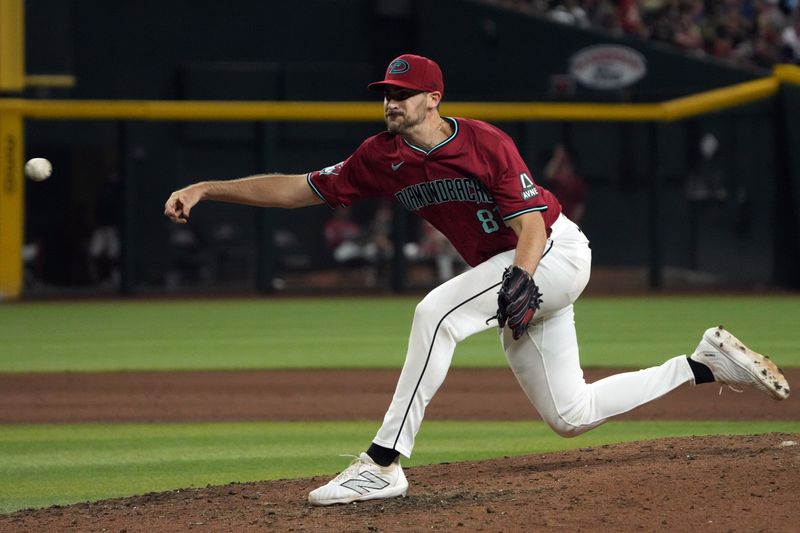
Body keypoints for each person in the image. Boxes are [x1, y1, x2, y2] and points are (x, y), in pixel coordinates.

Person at [164, 54, 791, 506]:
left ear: (433, 99)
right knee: (570, 415)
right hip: (515, 271)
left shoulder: (484, 143)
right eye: (386, 92)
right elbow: (303, 188)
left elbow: (531, 226)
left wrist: (521, 278)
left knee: (435, 313)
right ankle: (704, 365)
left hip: (553, 254)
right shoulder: (379, 157)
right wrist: (207, 188)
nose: (391, 102)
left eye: (402, 93)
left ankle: (383, 463)